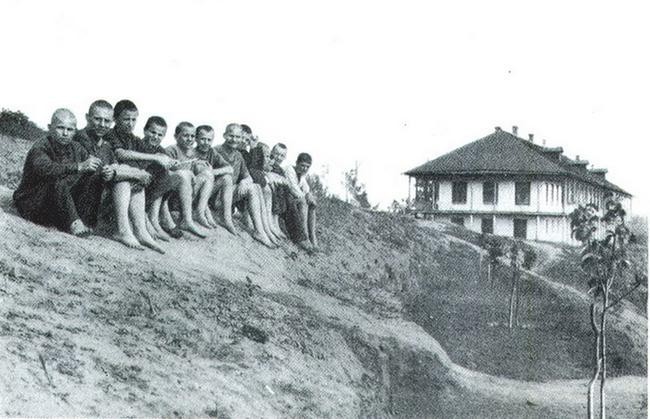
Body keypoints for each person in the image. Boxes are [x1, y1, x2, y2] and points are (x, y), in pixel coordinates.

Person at [105, 100, 206, 239]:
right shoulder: (111, 134)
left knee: (169, 175)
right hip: (115, 186)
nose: (130, 123)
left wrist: (165, 159)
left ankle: (156, 220)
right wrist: (155, 157)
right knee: (159, 173)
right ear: (115, 119)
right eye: (126, 119)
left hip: (133, 182)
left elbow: (151, 154)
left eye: (134, 120)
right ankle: (149, 222)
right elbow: (121, 154)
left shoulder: (133, 139)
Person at [73, 100, 163, 253]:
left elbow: (115, 166)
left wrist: (132, 174)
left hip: (96, 197)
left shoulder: (105, 144)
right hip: (80, 201)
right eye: (97, 119)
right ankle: (123, 231)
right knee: (124, 180)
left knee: (133, 181)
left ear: (111, 121)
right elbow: (101, 170)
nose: (102, 125)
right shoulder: (81, 138)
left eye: (106, 121)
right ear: (88, 118)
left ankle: (141, 231)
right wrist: (136, 174)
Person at [13, 109, 102, 237]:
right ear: (50, 127)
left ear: (75, 131)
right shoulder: (41, 146)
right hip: (32, 202)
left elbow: (91, 163)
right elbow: (46, 169)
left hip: (57, 203)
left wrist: (100, 167)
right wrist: (79, 166)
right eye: (60, 128)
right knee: (56, 178)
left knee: (93, 176)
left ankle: (85, 221)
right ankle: (74, 223)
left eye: (70, 130)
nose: (65, 133)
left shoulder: (76, 147)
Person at [216, 123, 277, 247]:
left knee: (256, 186)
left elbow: (248, 176)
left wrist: (244, 181)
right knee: (252, 187)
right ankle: (261, 231)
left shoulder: (238, 155)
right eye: (231, 136)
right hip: (216, 198)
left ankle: (262, 230)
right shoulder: (216, 151)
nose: (234, 140)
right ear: (224, 135)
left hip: (229, 196)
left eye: (237, 137)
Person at [165, 122, 217, 229]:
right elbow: (166, 175)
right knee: (185, 175)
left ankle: (200, 212)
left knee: (207, 174)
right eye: (186, 135)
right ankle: (186, 220)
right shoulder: (171, 150)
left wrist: (203, 168)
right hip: (174, 196)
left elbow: (198, 174)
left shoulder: (193, 153)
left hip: (189, 195)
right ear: (176, 136)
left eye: (192, 136)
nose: (190, 139)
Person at [194, 124, 238, 235]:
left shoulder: (212, 152)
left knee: (227, 178)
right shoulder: (192, 153)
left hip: (207, 190)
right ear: (196, 139)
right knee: (206, 175)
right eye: (203, 139)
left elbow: (230, 169)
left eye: (209, 140)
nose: (206, 142)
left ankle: (227, 218)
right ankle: (203, 213)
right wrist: (207, 172)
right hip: (193, 192)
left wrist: (213, 172)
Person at [248, 142, 286, 239]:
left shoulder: (278, 169)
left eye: (282, 156)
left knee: (273, 189)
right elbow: (261, 176)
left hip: (264, 189)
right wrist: (269, 178)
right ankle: (267, 227)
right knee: (267, 189)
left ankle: (271, 225)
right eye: (268, 156)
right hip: (251, 198)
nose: (272, 159)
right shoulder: (253, 168)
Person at [285, 152, 318, 252]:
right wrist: (305, 197)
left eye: (307, 167)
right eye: (302, 165)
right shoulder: (290, 170)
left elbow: (306, 188)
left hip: (294, 199)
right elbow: (293, 188)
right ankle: (305, 236)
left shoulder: (301, 175)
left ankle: (313, 237)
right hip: (285, 199)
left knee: (312, 204)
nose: (304, 169)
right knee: (304, 202)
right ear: (297, 163)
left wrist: (309, 195)